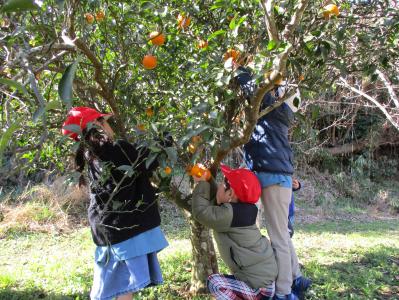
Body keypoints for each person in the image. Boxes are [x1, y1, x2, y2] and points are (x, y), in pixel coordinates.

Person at [62, 107, 169, 300]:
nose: (111, 127)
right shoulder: (115, 149)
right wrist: (163, 142)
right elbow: (144, 162)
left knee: (118, 287)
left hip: (109, 229)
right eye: (106, 122)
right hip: (125, 232)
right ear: (98, 125)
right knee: (123, 287)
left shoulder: (91, 154)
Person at [235, 67, 311, 300]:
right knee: (281, 234)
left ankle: (285, 292)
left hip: (273, 179)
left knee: (278, 237)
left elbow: (251, 89)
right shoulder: (281, 112)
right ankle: (296, 278)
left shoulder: (274, 108)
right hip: (275, 178)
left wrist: (239, 70)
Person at [191, 164, 278, 300]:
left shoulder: (229, 214)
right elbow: (219, 197)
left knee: (215, 283)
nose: (219, 184)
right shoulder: (238, 211)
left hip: (258, 288)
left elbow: (201, 212)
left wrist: (202, 183)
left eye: (222, 182)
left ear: (230, 194)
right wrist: (208, 179)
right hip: (264, 282)